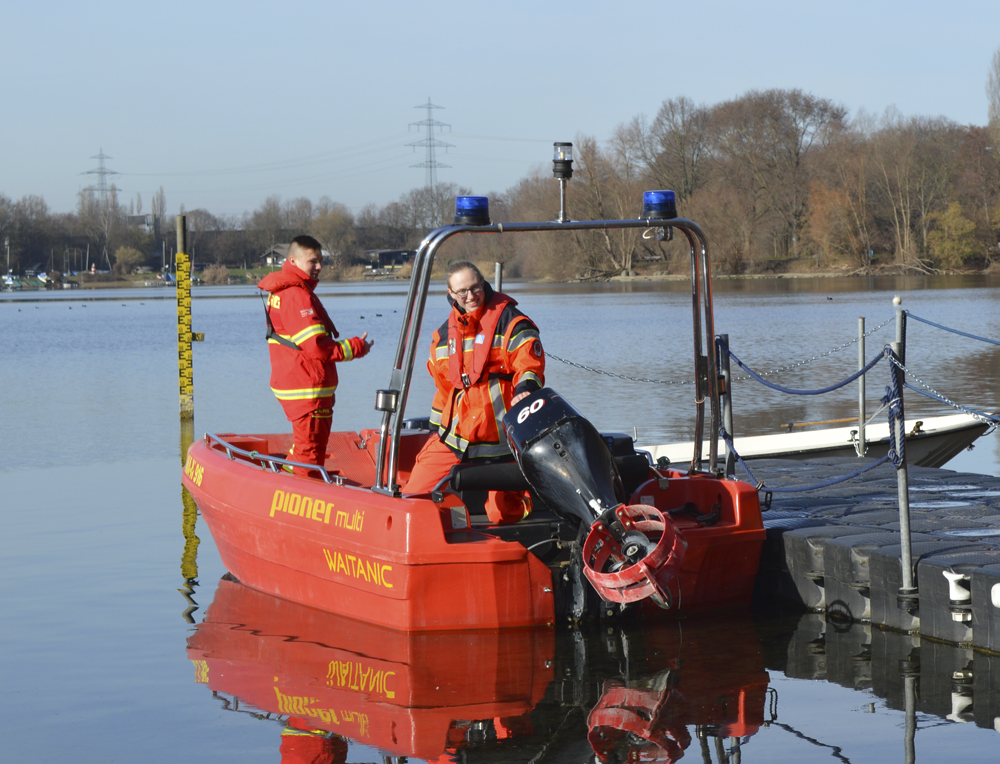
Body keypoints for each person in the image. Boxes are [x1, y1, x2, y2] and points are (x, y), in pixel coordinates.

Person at [402, 261, 544, 523]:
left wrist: (526, 387)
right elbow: (444, 390)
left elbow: (529, 364)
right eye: (462, 292)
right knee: (412, 497)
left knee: (501, 513)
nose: (470, 296)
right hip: (455, 437)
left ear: (483, 283)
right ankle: (442, 536)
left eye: (475, 288)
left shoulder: (512, 322)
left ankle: (534, 504)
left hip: (503, 438)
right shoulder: (443, 336)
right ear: (450, 294)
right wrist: (435, 430)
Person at [258, 235, 373, 476]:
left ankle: (288, 481)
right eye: (313, 261)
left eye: (321, 261)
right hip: (307, 388)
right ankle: (296, 498)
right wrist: (356, 347)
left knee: (304, 448)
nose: (319, 266)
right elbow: (317, 347)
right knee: (309, 453)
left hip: (297, 382)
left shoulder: (284, 290)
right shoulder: (296, 295)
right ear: (293, 260)